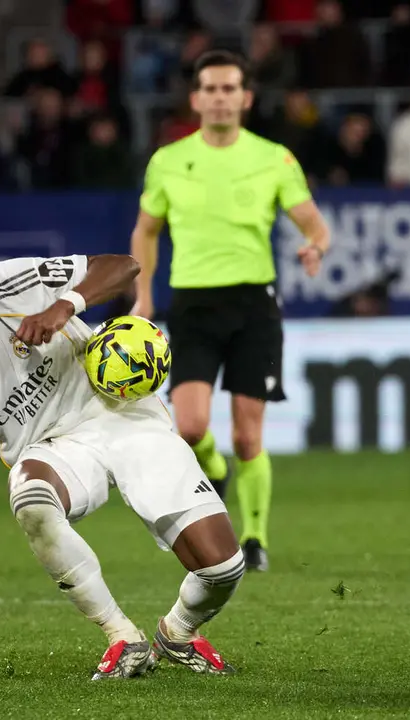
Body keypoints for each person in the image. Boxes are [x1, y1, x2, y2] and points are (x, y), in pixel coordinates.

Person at [0, 251, 245, 680]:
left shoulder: (11, 282)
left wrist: (65, 305)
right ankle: (122, 636)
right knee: (30, 500)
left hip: (118, 411)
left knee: (222, 568)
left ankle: (177, 632)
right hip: (54, 450)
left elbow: (125, 267)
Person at [129, 50, 331, 572]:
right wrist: (144, 294)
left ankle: (256, 537)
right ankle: (212, 470)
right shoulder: (169, 160)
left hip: (253, 305)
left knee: (248, 435)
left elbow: (313, 221)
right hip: (193, 303)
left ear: (245, 98)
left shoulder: (274, 158)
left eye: (229, 89)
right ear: (196, 99)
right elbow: (146, 231)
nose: (220, 98)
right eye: (210, 89)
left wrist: (316, 244)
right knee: (191, 429)